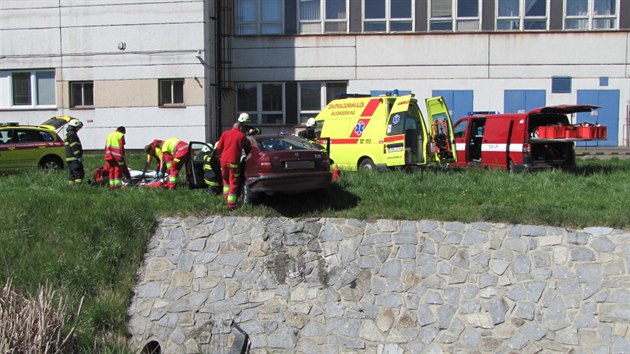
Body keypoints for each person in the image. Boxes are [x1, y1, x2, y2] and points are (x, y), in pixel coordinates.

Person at [214, 122, 251, 210]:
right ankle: (231, 205)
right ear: (240, 128)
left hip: (223, 161)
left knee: (225, 179)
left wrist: (219, 155)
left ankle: (225, 197)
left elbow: (219, 147)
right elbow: (247, 147)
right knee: (233, 182)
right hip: (233, 162)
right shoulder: (241, 136)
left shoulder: (225, 133)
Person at [64, 118, 84, 184]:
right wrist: (78, 156)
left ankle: (71, 187)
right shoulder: (72, 134)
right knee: (78, 173)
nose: (79, 129)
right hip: (74, 158)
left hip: (69, 158)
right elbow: (74, 146)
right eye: (78, 128)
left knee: (72, 174)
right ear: (75, 126)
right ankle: (78, 187)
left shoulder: (68, 134)